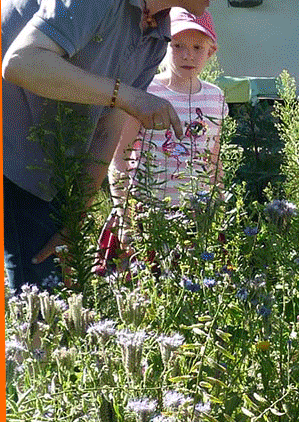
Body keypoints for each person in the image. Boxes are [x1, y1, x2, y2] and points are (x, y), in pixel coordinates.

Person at [2, 0, 209, 290]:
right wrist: (128, 96)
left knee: (51, 295)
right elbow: (20, 62)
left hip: (44, 160)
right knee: (40, 301)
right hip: (8, 146)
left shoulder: (156, 35)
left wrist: (74, 218)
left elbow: (109, 125)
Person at [99, 7, 229, 274]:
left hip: (194, 212)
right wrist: (124, 214)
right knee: (146, 287)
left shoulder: (216, 97)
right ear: (164, 46)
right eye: (178, 45)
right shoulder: (145, 91)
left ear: (211, 51)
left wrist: (219, 205)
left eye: (197, 47)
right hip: (147, 213)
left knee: (193, 287)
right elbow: (120, 157)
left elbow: (213, 159)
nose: (187, 55)